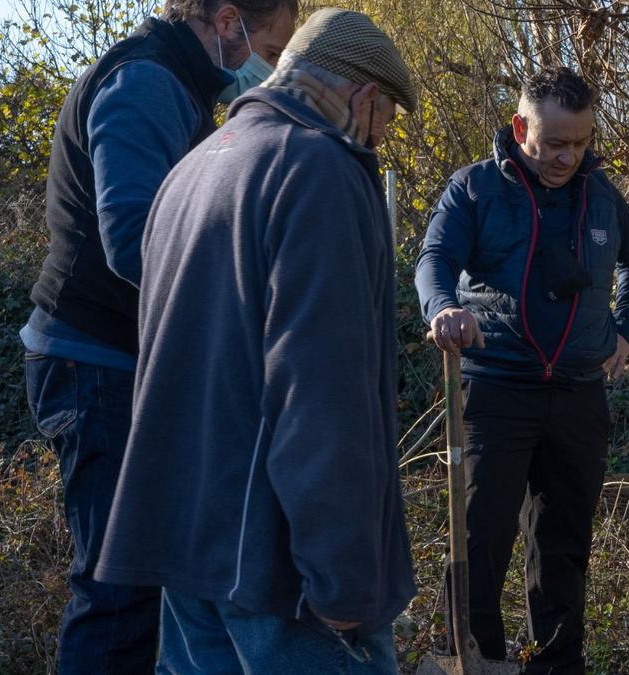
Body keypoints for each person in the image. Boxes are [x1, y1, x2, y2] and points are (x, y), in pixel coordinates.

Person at [91, 9, 418, 673]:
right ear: (364, 98)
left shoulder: (192, 170)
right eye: (387, 120)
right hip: (278, 572)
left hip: (183, 553)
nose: (381, 138)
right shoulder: (319, 169)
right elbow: (323, 394)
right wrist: (343, 576)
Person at [19, 0, 295, 670]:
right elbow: (136, 240)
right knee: (119, 591)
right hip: (95, 364)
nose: (272, 66)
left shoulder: (178, 82)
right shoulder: (145, 82)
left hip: (124, 361)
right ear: (228, 20)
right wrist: (242, 309)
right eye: (271, 42)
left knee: (146, 583)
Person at [415, 66, 629, 673]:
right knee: (479, 539)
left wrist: (625, 331)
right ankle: (473, 659)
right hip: (496, 391)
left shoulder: (600, 194)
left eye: (580, 143)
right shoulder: (474, 189)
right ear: (521, 126)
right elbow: (436, 256)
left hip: (578, 396)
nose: (567, 157)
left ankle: (555, 665)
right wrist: (443, 307)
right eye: (553, 143)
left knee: (564, 545)